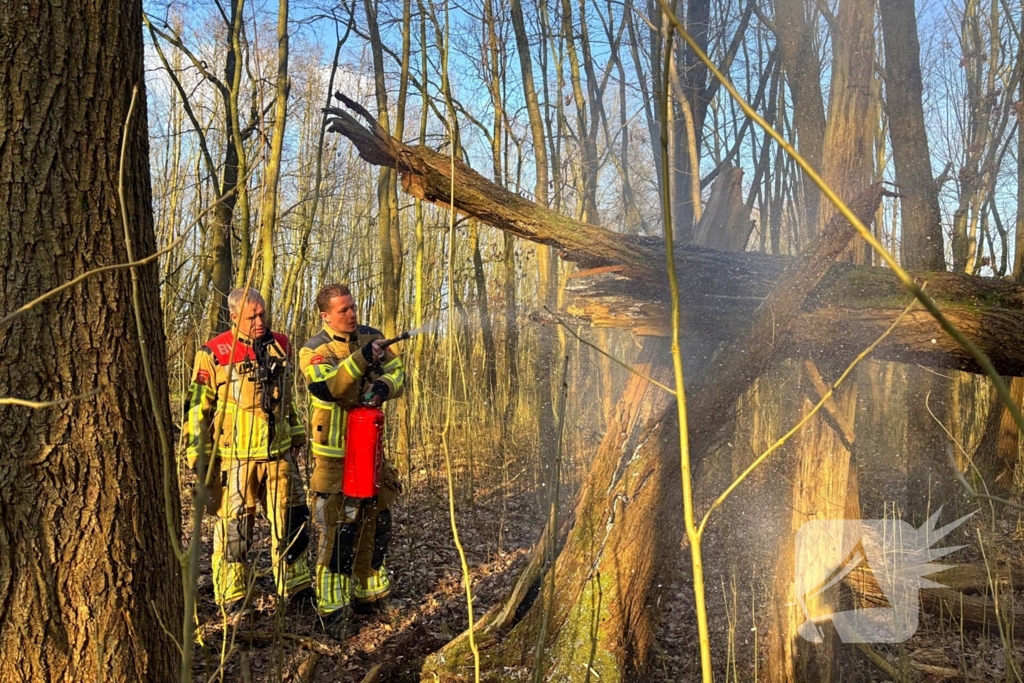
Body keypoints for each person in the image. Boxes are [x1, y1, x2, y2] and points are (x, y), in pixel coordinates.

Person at [183, 287, 313, 616]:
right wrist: (197, 455)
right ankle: (233, 597)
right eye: (251, 316)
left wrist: (297, 433)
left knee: (293, 518)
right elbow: (198, 408)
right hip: (236, 457)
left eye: (262, 314)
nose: (259, 321)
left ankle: (296, 588)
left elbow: (288, 398)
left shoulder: (280, 345)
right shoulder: (213, 352)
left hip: (279, 455)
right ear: (234, 316)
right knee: (235, 527)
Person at [299, 284, 405, 639]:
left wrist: (383, 388)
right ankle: (332, 608)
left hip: (372, 450)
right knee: (339, 528)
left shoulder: (373, 337)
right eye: (343, 310)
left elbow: (399, 372)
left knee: (378, 520)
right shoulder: (314, 349)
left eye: (353, 307)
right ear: (325, 315)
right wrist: (361, 359)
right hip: (335, 456)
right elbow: (329, 387)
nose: (352, 314)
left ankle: (369, 593)